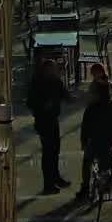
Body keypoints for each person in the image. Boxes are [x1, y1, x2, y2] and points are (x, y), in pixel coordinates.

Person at [27, 57, 71, 194]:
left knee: (55, 150)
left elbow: (66, 96)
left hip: (53, 119)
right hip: (43, 121)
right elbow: (30, 102)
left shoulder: (56, 81)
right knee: (48, 152)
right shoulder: (38, 83)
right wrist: (43, 105)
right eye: (51, 69)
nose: (54, 71)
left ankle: (55, 177)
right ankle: (48, 184)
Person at [79, 77, 112, 200]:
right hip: (107, 141)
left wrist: (83, 141)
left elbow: (85, 127)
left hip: (93, 140)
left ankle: (85, 187)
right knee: (106, 164)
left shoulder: (91, 107)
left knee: (87, 162)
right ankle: (106, 185)